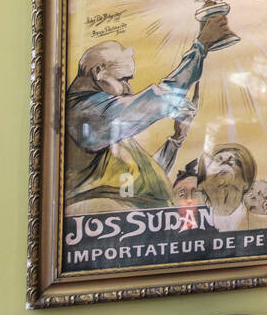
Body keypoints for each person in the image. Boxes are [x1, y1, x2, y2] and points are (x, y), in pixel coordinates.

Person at [64, 15, 225, 214]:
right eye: (123, 80)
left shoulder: (104, 123)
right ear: (98, 72)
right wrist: (200, 47)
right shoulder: (85, 114)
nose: (128, 90)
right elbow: (160, 98)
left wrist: (176, 140)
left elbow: (144, 178)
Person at [197, 144, 267, 232]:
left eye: (233, 160)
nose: (225, 161)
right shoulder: (190, 229)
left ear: (246, 183)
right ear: (201, 185)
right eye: (217, 160)